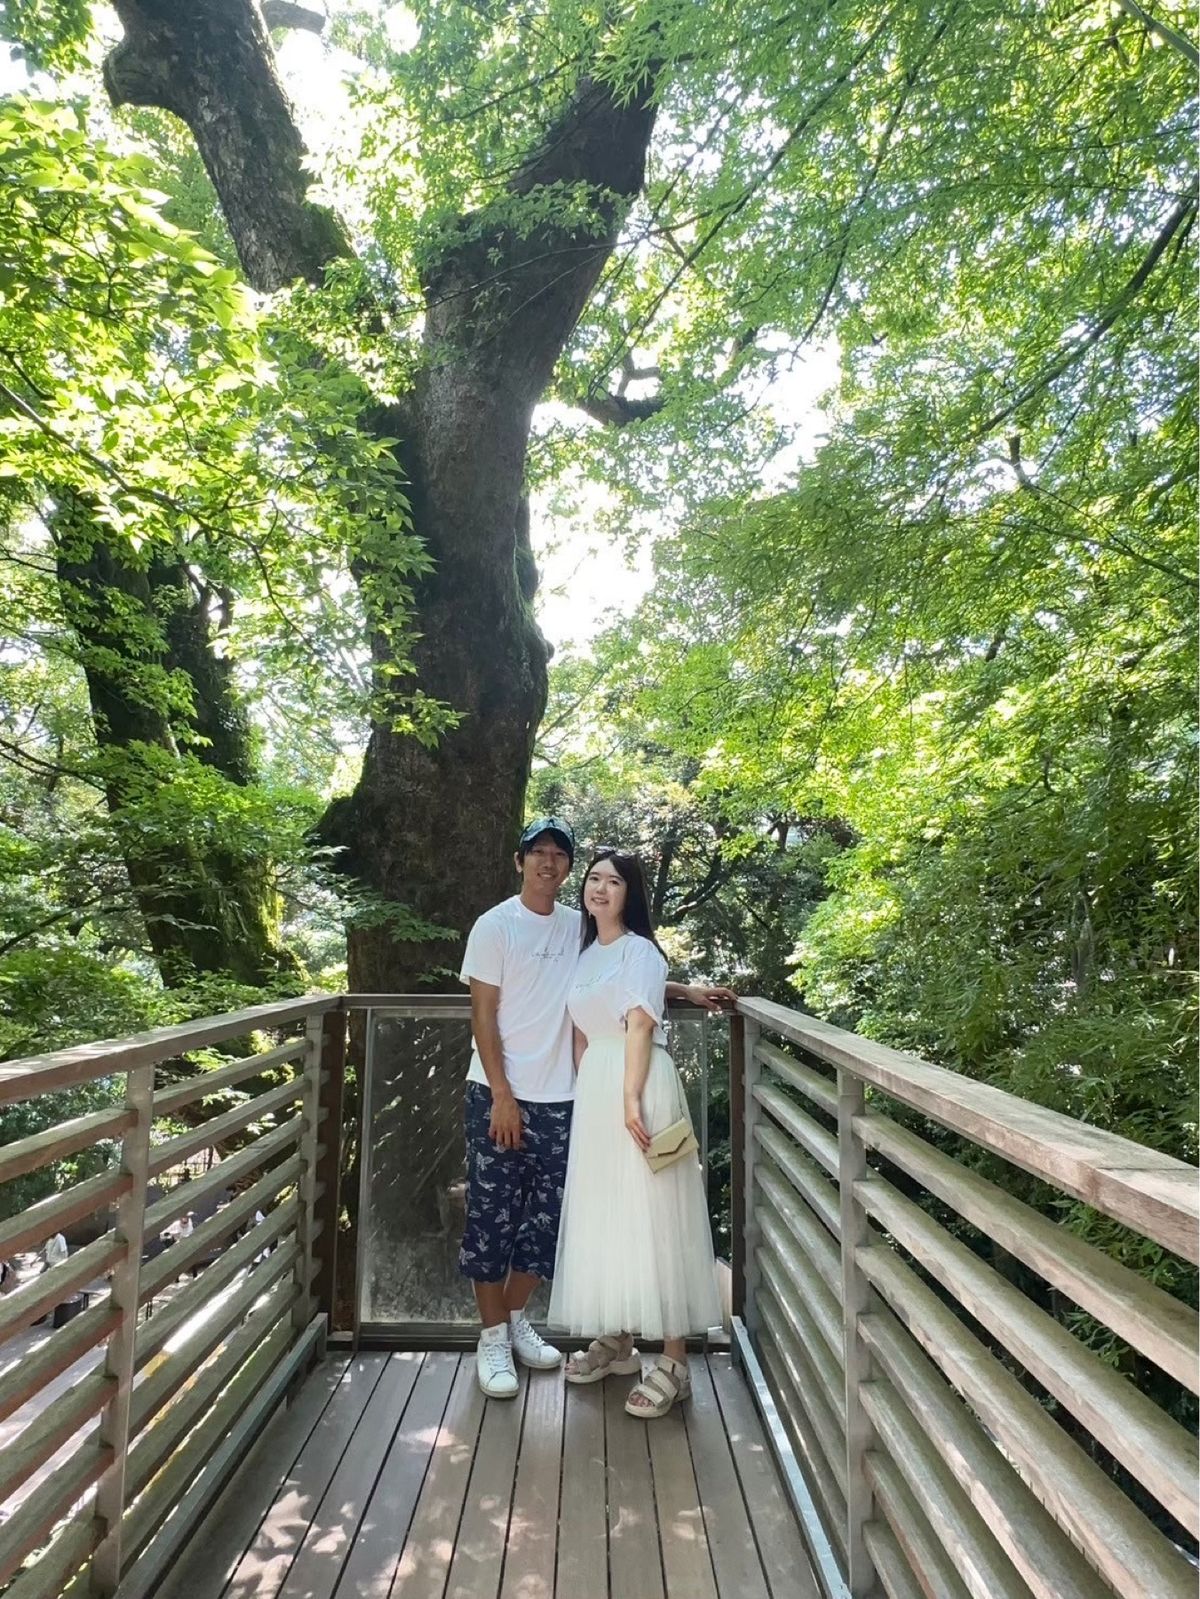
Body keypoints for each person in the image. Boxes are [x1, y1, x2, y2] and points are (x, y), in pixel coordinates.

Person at [459, 816, 735, 1400]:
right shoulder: (496, 926)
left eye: (562, 855)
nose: (551, 863)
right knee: (492, 1219)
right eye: (539, 852)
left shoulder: (577, 931)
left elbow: (631, 979)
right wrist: (502, 1094)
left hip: (577, 1096)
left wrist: (682, 992)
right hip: (507, 1094)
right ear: (520, 861)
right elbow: (484, 1013)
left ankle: (524, 1322)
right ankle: (494, 1337)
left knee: (560, 1219)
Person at [548, 847, 723, 1418]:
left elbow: (640, 1020)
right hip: (598, 1088)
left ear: (632, 893)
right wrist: (684, 990)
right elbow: (611, 1000)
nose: (600, 888)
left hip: (639, 1086)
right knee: (609, 1214)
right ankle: (620, 1339)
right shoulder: (588, 952)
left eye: (613, 881)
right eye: (594, 879)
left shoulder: (641, 950)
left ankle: (674, 1361)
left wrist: (629, 1099)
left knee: (654, 1214)